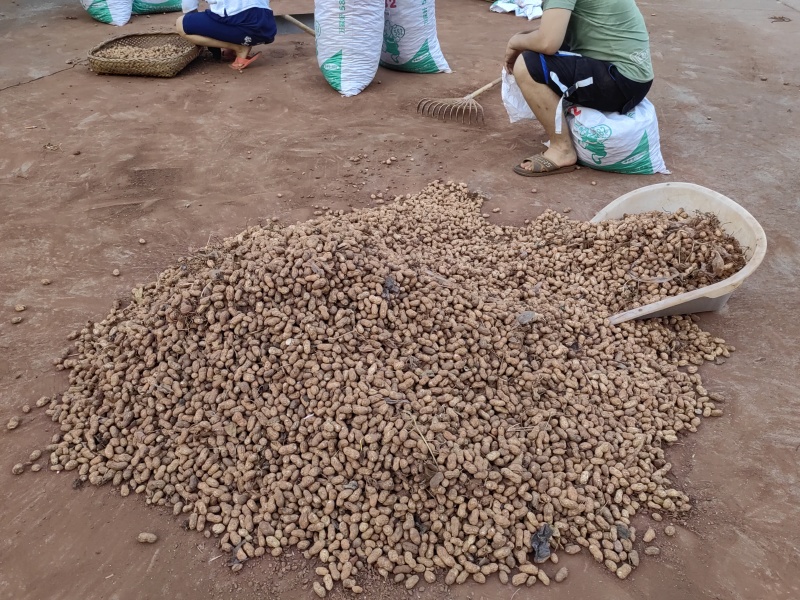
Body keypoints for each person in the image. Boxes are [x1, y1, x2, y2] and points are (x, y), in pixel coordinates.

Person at [504, 0, 653, 177]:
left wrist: (515, 42)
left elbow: (548, 42)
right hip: (633, 76)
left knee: (528, 64)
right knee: (537, 46)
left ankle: (562, 150)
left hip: (620, 81)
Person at [177, 0, 277, 72]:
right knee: (227, 11)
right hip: (266, 28)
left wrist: (205, 36)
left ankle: (239, 48)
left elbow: (189, 9)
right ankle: (236, 44)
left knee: (181, 23)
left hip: (245, 25)